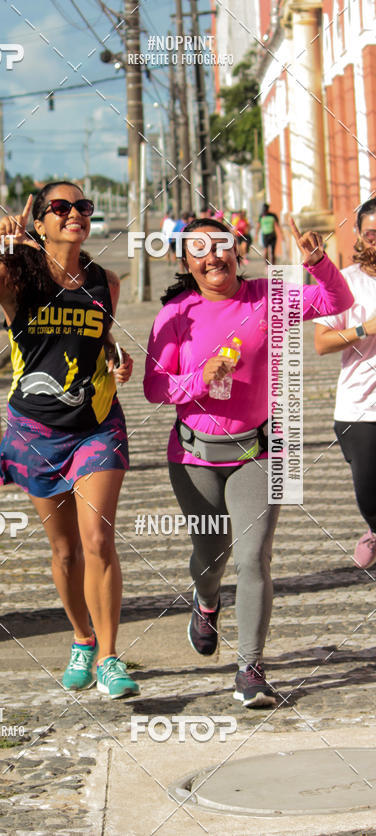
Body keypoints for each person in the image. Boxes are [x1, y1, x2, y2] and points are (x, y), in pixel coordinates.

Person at [0, 181, 140, 699]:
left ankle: (111, 658)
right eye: (60, 208)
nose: (74, 214)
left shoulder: (105, 281)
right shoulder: (14, 277)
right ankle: (82, 639)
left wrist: (114, 355)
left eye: (82, 207)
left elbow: (95, 333)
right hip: (35, 432)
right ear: (40, 222)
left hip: (97, 423)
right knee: (65, 550)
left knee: (98, 541)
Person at [143, 216, 353, 707]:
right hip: (195, 455)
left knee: (253, 557)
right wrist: (198, 377)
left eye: (221, 246)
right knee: (211, 558)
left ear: (237, 249)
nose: (213, 256)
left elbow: (338, 303)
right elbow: (155, 388)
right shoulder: (177, 314)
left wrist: (318, 262)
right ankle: (206, 600)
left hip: (259, 450)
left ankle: (251, 668)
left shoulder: (268, 297)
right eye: (200, 249)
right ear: (186, 261)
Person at [314, 197, 376, 569]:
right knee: (369, 492)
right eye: (372, 233)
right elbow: (321, 342)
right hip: (360, 407)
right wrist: (364, 329)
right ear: (358, 234)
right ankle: (373, 529)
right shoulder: (345, 284)